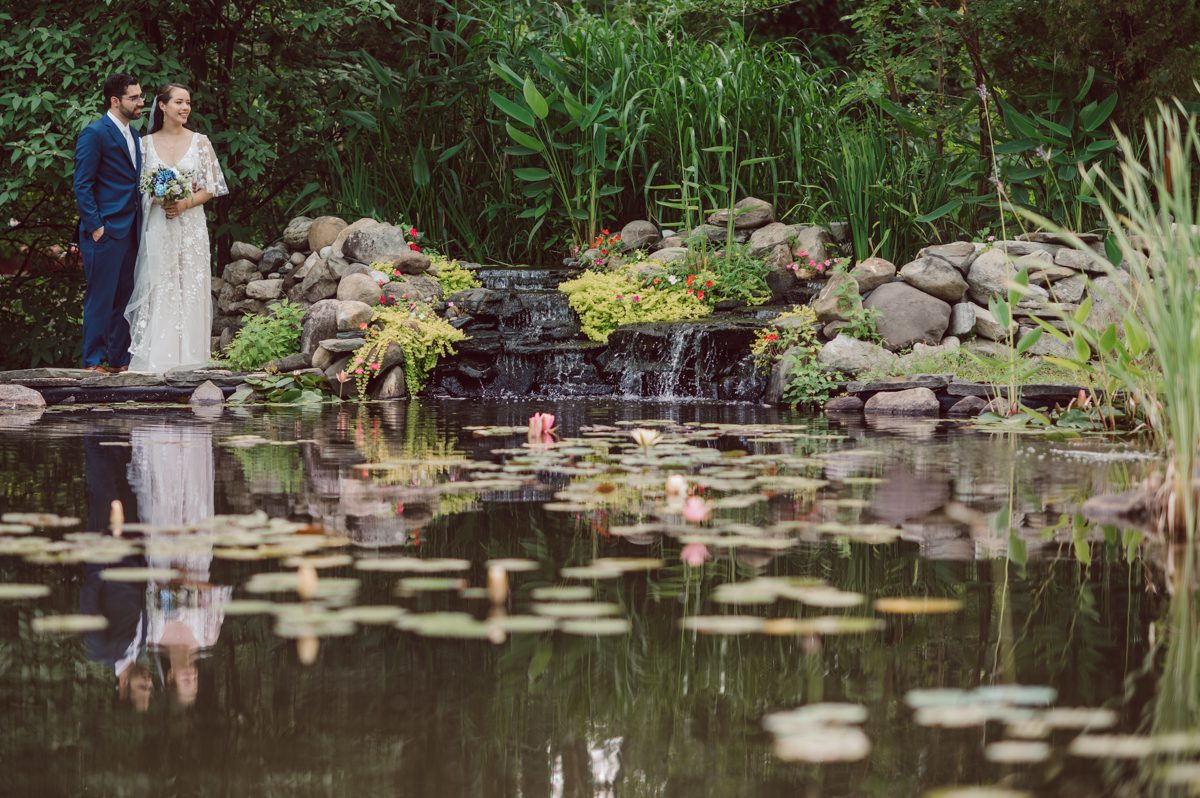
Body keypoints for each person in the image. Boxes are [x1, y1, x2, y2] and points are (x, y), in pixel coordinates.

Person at [125, 82, 228, 373]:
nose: (185, 108)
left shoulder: (201, 142)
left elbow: (212, 188)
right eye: (179, 102)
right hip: (159, 225)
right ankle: (158, 358)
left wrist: (184, 203)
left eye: (188, 103)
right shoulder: (145, 145)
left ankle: (191, 361)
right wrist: (158, 197)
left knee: (191, 286)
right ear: (162, 106)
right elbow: (139, 189)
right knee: (161, 286)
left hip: (191, 224)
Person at [73, 73, 146, 374]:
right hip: (104, 231)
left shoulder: (136, 136)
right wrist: (96, 227)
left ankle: (119, 361)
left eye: (142, 96)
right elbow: (82, 184)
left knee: (125, 298)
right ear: (115, 101)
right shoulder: (95, 133)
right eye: (135, 97)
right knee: (101, 297)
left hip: (131, 230)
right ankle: (93, 361)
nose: (141, 102)